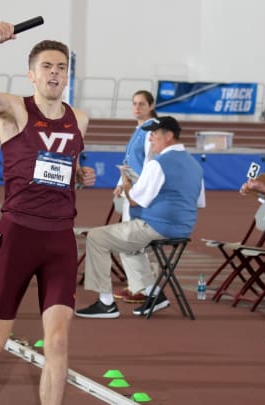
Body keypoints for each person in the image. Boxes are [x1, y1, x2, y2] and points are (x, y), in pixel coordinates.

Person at [0, 22, 96, 405]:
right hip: (19, 233)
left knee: (59, 339)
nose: (55, 72)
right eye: (47, 66)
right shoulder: (16, 109)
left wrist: (81, 173)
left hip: (61, 237)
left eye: (61, 67)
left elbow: (66, 164)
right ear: (31, 74)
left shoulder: (79, 118)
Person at [75, 116, 205, 319]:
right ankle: (153, 293)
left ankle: (105, 302)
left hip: (154, 226)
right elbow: (199, 202)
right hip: (182, 228)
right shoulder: (195, 165)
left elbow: (135, 200)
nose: (150, 138)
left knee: (96, 237)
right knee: (128, 245)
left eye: (154, 134)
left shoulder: (158, 163)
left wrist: (127, 181)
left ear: (169, 136)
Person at [111, 90, 159, 304]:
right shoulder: (139, 129)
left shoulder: (152, 129)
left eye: (141, 104)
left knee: (131, 240)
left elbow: (152, 161)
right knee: (128, 240)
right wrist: (120, 184)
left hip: (142, 192)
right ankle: (138, 286)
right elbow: (129, 161)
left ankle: (143, 287)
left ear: (150, 106)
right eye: (134, 104)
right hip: (132, 189)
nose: (137, 108)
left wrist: (140, 187)